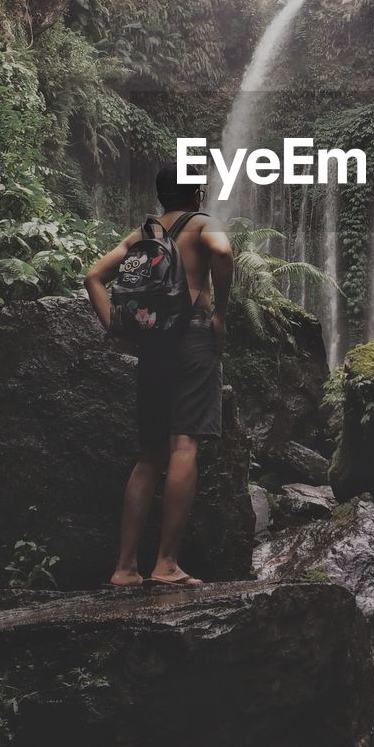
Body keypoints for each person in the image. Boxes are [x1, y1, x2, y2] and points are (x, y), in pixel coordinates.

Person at [84, 165, 234, 588]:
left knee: (149, 454)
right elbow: (222, 252)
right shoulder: (203, 224)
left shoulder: (142, 236)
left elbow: (93, 276)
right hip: (191, 340)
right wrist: (220, 314)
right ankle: (166, 563)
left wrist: (114, 324)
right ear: (196, 196)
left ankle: (125, 567)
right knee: (183, 444)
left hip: (153, 346)